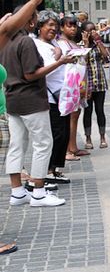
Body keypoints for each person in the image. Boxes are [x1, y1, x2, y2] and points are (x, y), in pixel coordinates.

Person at [2, 0, 73, 213]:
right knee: (43, 144)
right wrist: (59, 63)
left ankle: (17, 191)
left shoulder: (6, 42)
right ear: (31, 22)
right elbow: (31, 74)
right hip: (31, 99)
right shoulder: (26, 42)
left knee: (17, 145)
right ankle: (39, 191)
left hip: (12, 100)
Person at [34, 12, 72, 179]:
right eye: (49, 25)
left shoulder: (55, 44)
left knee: (64, 133)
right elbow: (40, 72)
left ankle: (55, 167)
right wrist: (60, 61)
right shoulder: (37, 46)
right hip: (49, 97)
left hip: (63, 96)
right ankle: (48, 170)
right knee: (55, 133)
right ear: (39, 26)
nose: (53, 28)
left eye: (55, 25)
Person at [57, 16, 85, 160]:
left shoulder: (72, 42)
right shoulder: (60, 44)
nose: (73, 29)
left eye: (74, 26)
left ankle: (72, 146)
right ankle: (68, 149)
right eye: (69, 26)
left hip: (77, 83)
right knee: (70, 117)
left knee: (75, 115)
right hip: (68, 85)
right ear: (62, 27)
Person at [81, 21, 110, 149]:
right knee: (88, 111)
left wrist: (98, 42)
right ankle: (88, 138)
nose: (92, 33)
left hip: (100, 82)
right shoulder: (80, 46)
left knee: (100, 110)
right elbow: (82, 62)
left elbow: (106, 58)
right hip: (87, 84)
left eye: (94, 30)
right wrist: (86, 44)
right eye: (89, 31)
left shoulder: (99, 44)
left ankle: (102, 137)